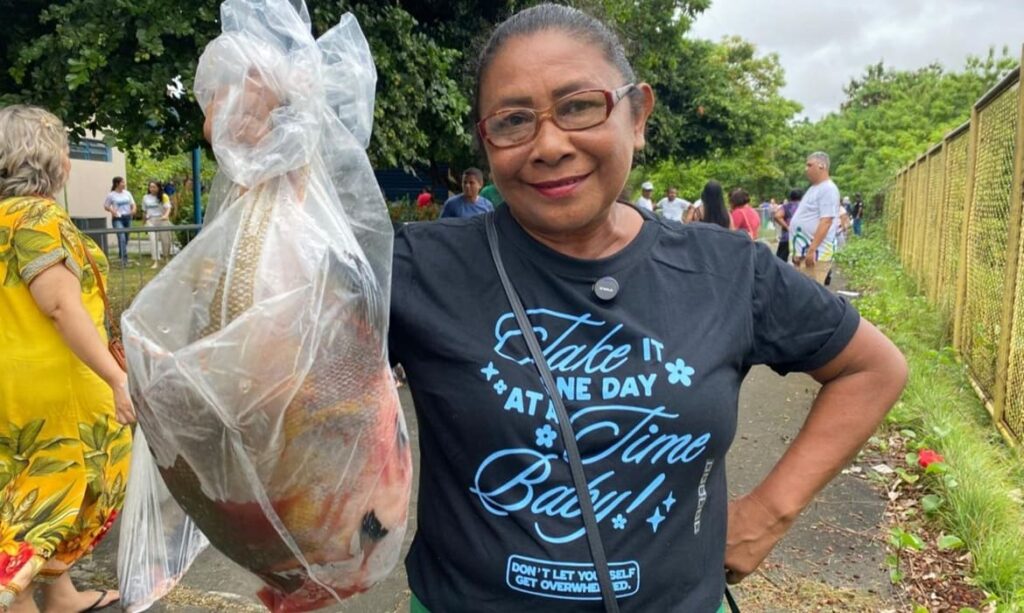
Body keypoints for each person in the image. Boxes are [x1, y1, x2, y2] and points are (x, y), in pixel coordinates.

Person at [208, 5, 907, 611]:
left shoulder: (729, 269)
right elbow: (265, 376)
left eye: (579, 106)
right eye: (514, 122)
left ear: (638, 114)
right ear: (487, 141)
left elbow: (872, 368)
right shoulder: (422, 265)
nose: (549, 144)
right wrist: (258, 170)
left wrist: (767, 513)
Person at [0, 105, 135, 612]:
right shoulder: (37, 217)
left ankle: (60, 595)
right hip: (61, 394)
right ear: (54, 160)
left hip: (14, 390)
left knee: (25, 495)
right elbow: (60, 305)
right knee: (54, 501)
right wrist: (116, 379)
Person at [790, 152, 840, 284]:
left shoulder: (828, 189)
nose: (806, 169)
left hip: (815, 255)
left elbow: (826, 221)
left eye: (809, 165)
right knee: (801, 294)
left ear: (821, 166)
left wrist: (812, 250)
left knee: (811, 298)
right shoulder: (814, 188)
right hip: (804, 253)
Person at [103, 176, 136, 267]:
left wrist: (133, 210)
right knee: (121, 237)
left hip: (127, 217)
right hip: (117, 219)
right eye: (122, 182)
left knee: (126, 238)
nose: (124, 184)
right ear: (117, 184)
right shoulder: (111, 195)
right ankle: (124, 260)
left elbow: (133, 204)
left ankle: (121, 254)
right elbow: (106, 206)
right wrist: (112, 211)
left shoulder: (127, 193)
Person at [142, 180, 173, 269]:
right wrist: (144, 223)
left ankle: (166, 258)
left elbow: (168, 208)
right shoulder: (145, 198)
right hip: (151, 220)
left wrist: (166, 216)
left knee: (165, 240)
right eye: (150, 187)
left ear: (158, 188)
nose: (152, 189)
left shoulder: (164, 196)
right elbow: (144, 211)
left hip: (162, 219)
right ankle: (155, 260)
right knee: (153, 240)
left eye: (154, 187)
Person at [774, 189, 802, 262]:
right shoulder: (804, 207)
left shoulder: (786, 206)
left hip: (787, 237)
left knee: (780, 261)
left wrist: (787, 227)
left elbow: (777, 216)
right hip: (801, 238)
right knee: (800, 262)